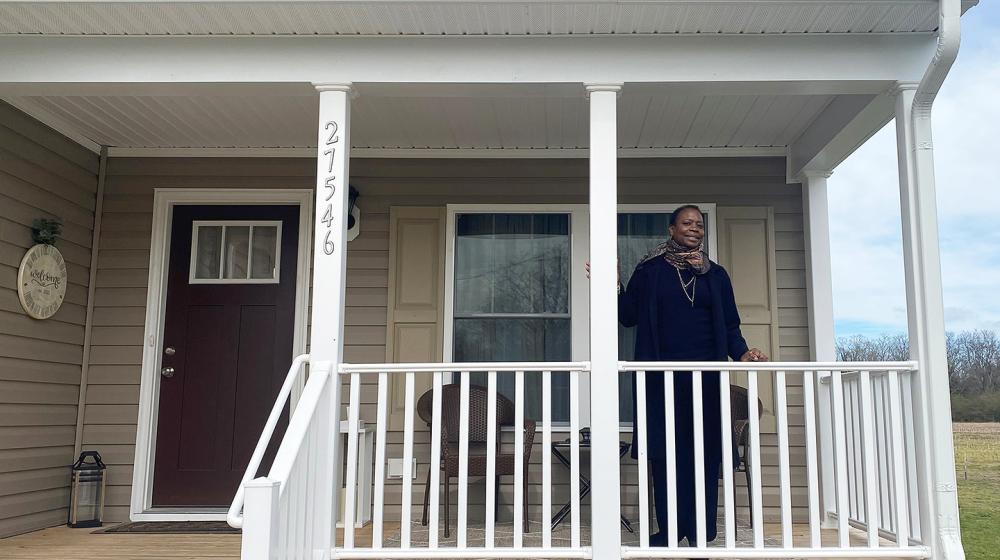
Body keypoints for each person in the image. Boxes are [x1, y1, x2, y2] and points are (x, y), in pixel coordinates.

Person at [617, 204, 767, 547]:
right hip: (661, 379)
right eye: (686, 223)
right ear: (671, 229)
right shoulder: (651, 270)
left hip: (706, 380)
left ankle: (702, 529)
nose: (694, 228)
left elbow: (730, 325)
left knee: (704, 452)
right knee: (666, 453)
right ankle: (669, 530)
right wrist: (615, 286)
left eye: (699, 224)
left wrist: (742, 352)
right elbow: (628, 317)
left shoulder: (716, 275)